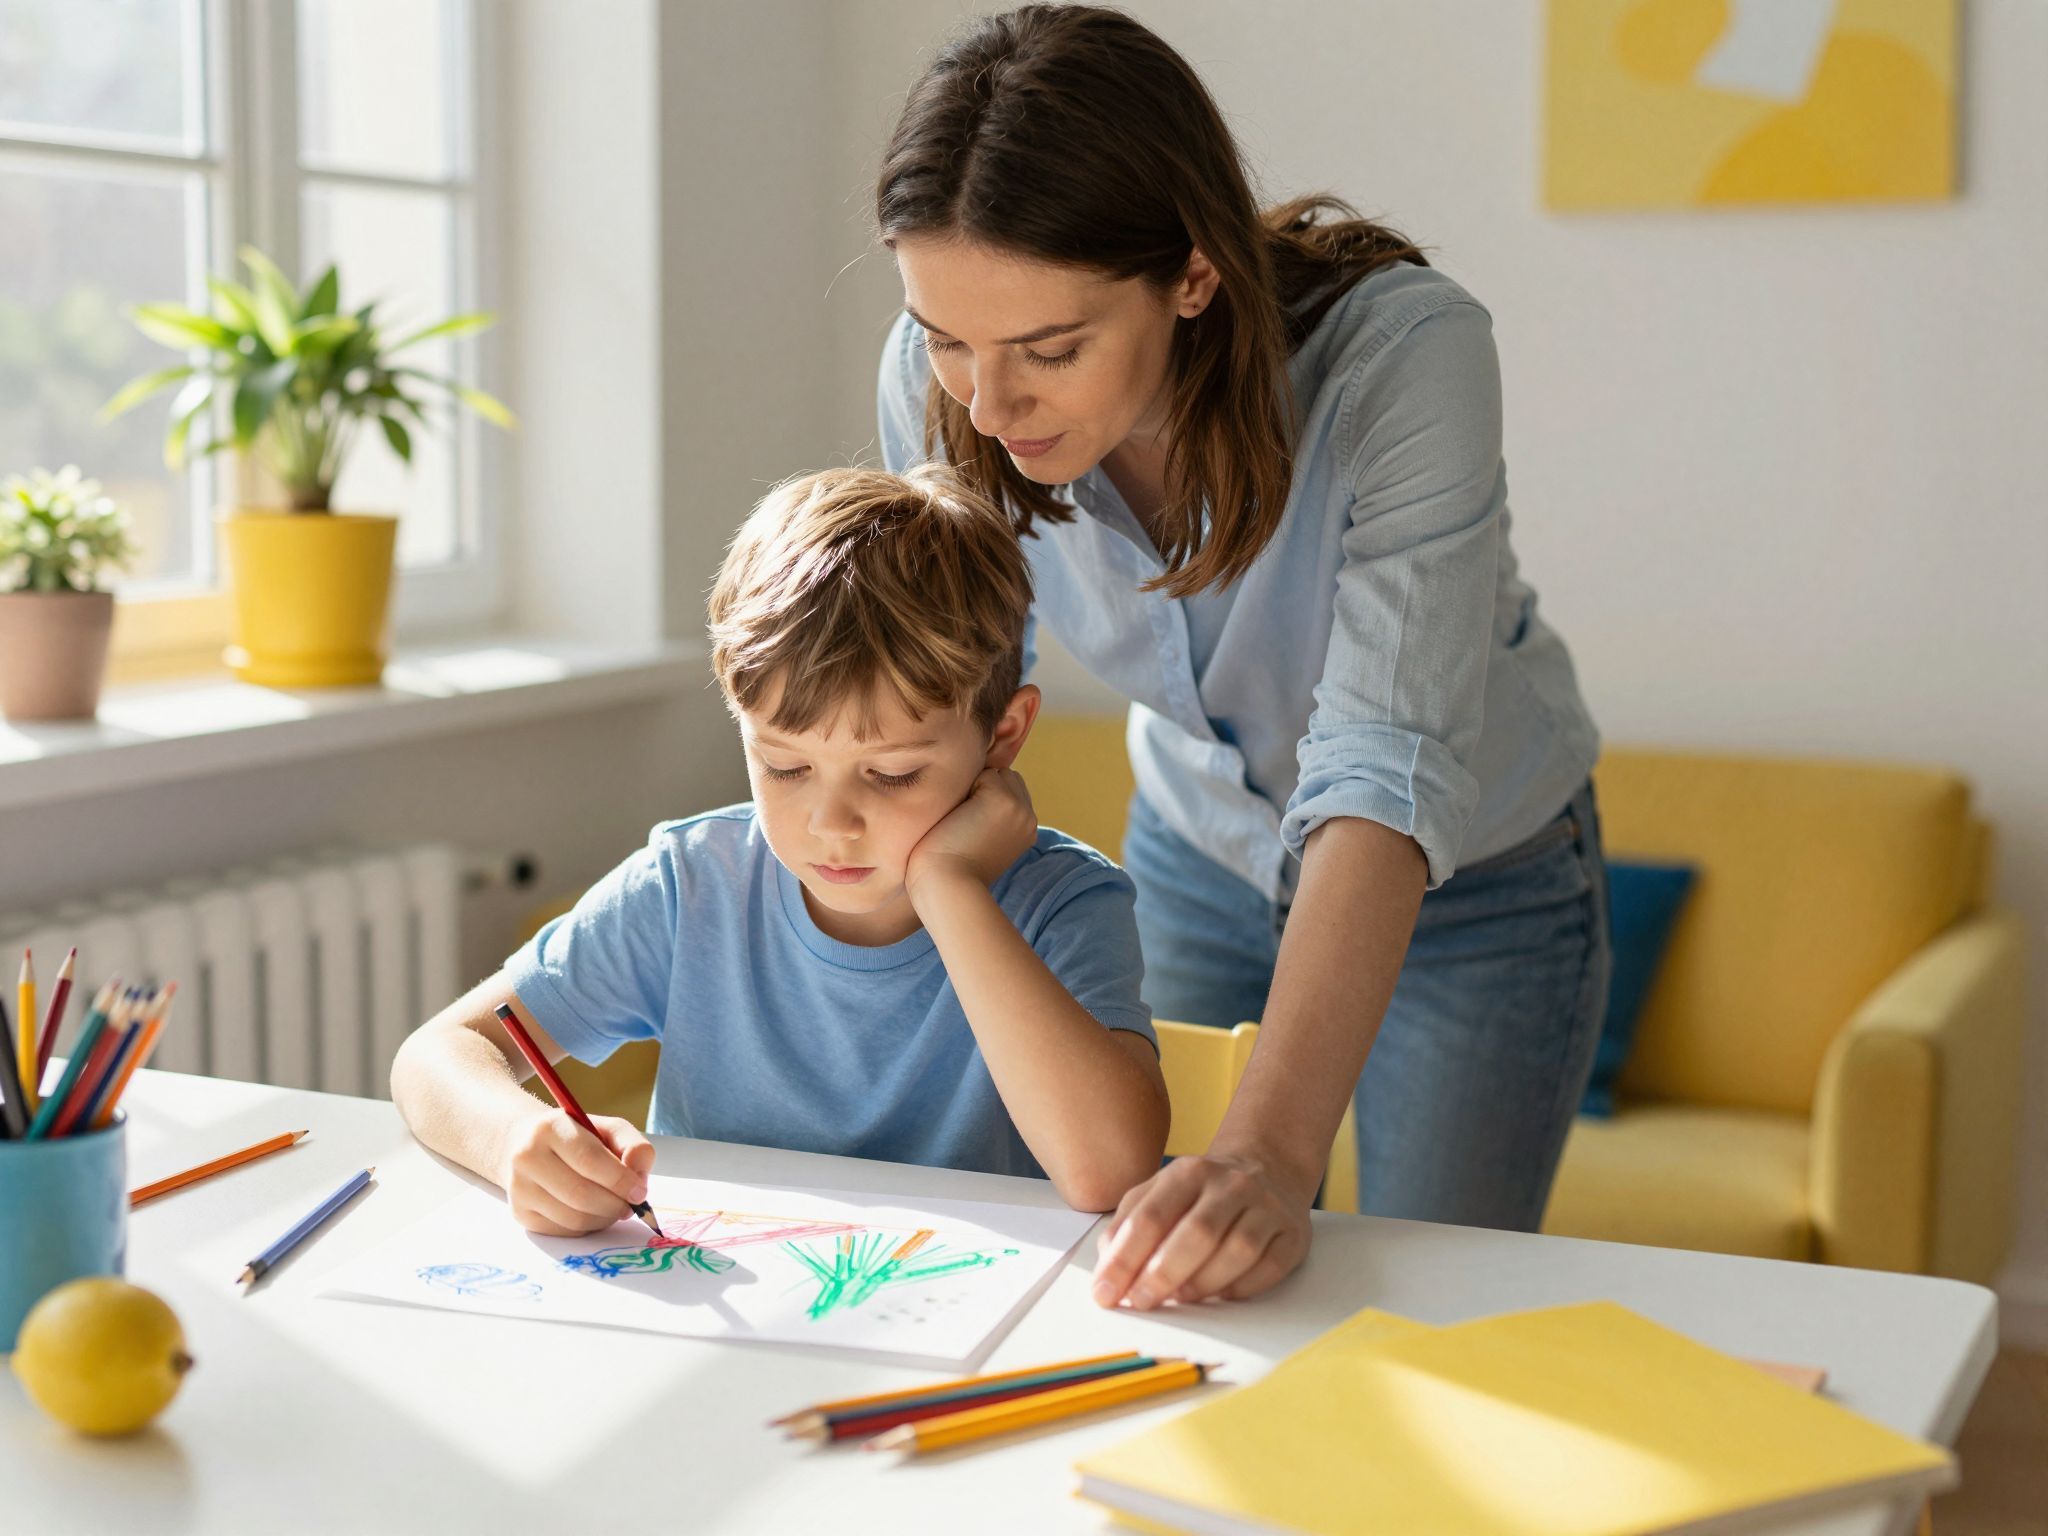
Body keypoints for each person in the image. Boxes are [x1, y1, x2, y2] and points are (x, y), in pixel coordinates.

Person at [873, 5, 1611, 1308]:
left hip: (1473, 886)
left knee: (1430, 1317)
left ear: (1194, 274)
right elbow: (928, 709)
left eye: (1049, 351)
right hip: (1196, 855)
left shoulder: (1403, 357)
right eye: (944, 337)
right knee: (1165, 1295)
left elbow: (1385, 760)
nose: (985, 407)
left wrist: (1270, 1154)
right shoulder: (942, 384)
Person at [391, 465, 1170, 1231]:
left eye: (892, 774)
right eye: (786, 765)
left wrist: (950, 888)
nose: (832, 823)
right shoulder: (690, 887)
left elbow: (1109, 1169)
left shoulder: (1064, 903)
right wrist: (513, 1140)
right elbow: (435, 1056)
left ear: (1003, 736)